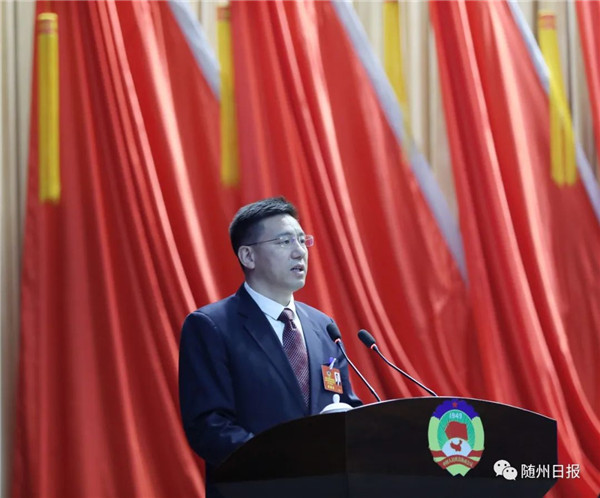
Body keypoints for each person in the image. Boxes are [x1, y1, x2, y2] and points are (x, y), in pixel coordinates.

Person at [179, 196, 362, 496]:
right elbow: (209, 426)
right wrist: (285, 463)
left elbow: (345, 405)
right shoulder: (211, 327)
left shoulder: (322, 326)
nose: (299, 251)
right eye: (284, 241)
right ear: (248, 256)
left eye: (302, 240)